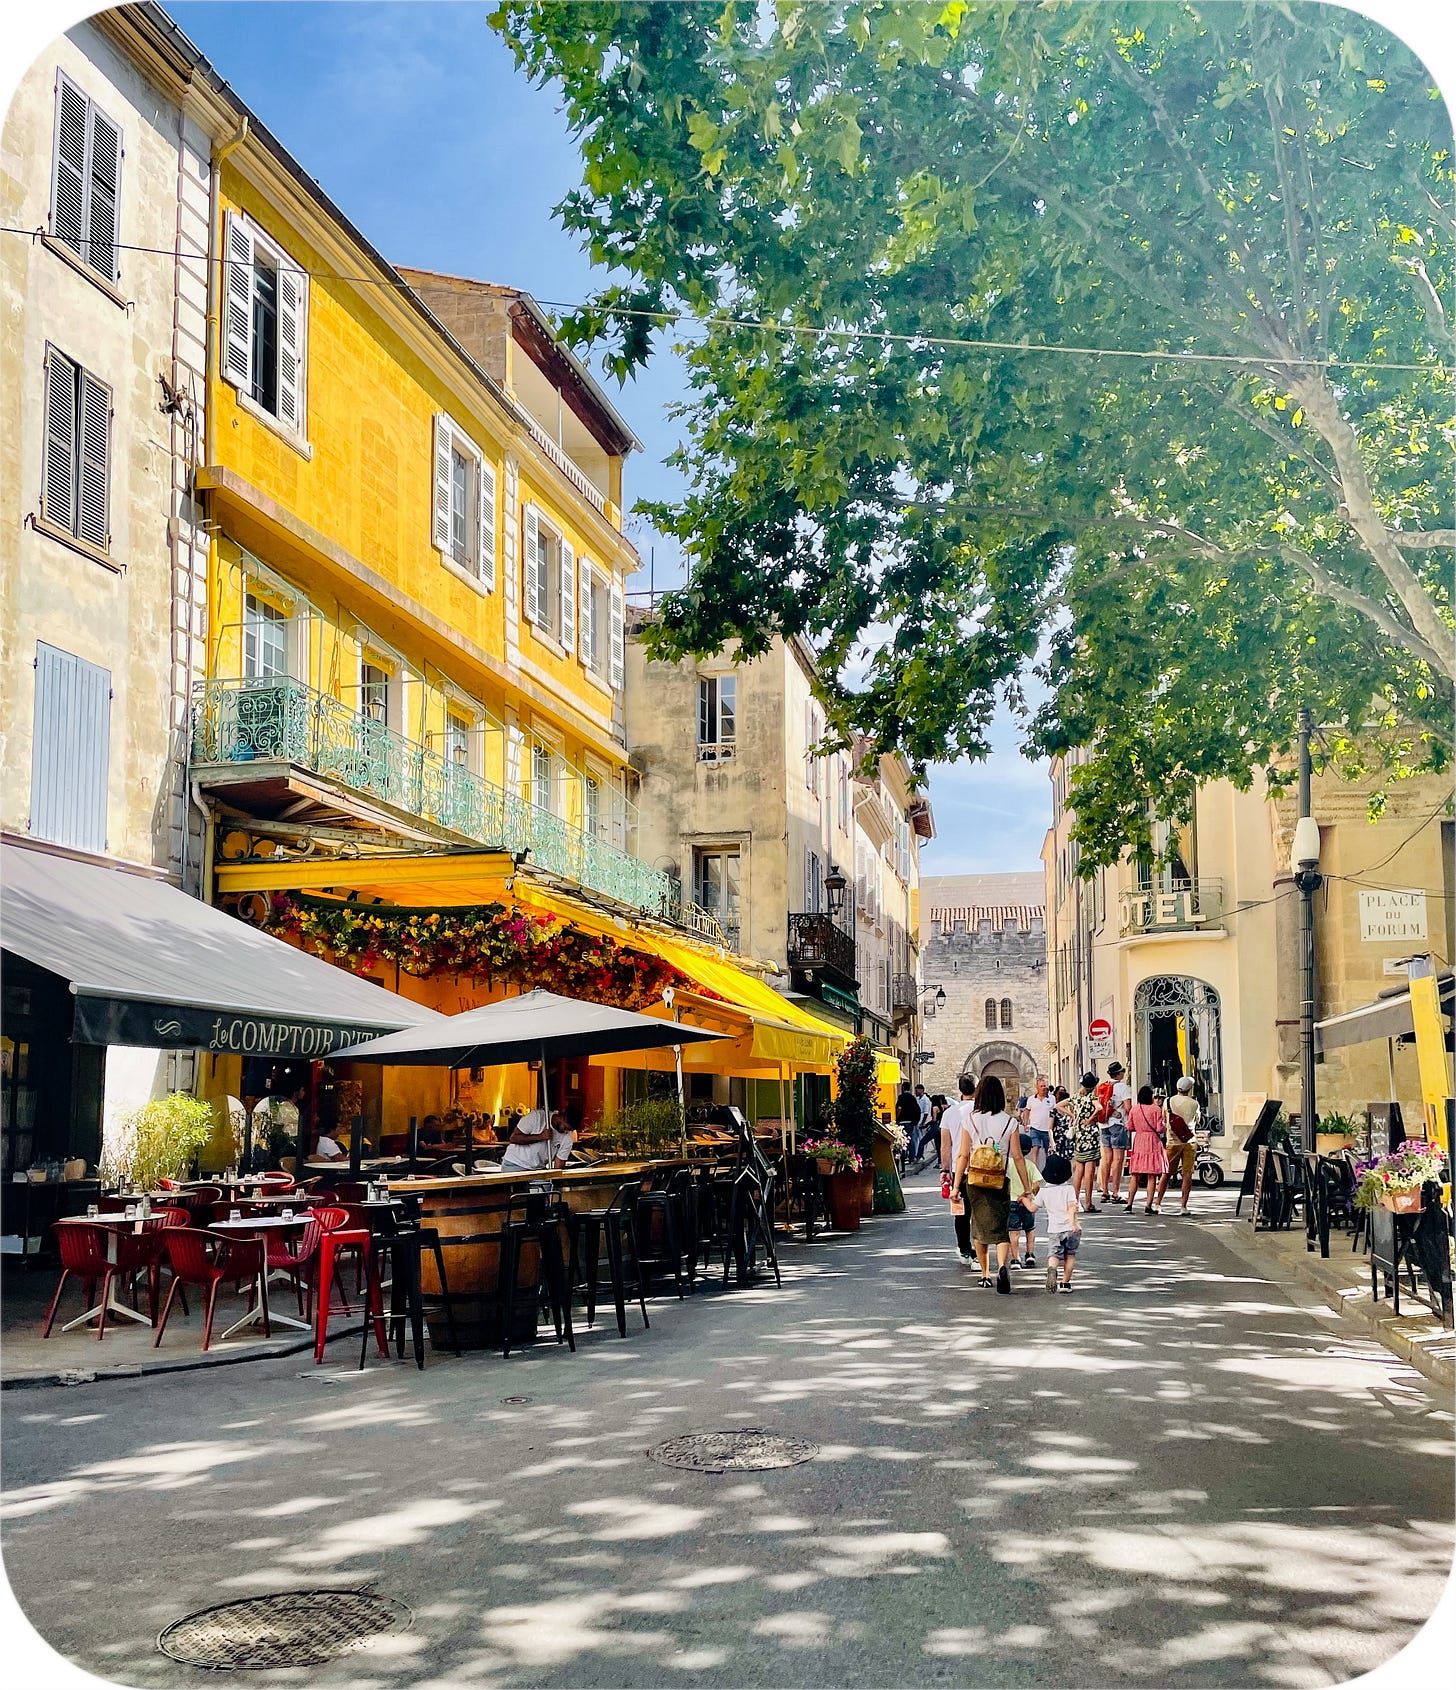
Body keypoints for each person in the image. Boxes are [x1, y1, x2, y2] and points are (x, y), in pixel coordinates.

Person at [951, 1074, 1033, 1294]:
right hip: (999, 1180)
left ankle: (985, 1274)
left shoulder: (970, 1120)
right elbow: (1018, 1157)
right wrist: (1026, 1187)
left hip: (975, 1180)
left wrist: (956, 1186)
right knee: (1000, 1226)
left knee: (978, 1227)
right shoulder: (1010, 1122)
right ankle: (1003, 1266)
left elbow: (963, 1155)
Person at [939, 1074, 978, 1263]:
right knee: (980, 1211)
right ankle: (979, 1251)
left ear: (960, 1090)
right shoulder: (982, 1110)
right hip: (981, 1166)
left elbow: (945, 1146)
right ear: (976, 1089)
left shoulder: (950, 1113)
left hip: (958, 1169)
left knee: (961, 1211)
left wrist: (944, 1170)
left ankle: (964, 1250)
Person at [1031, 1153, 1082, 1292]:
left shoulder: (1043, 1192)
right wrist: (1073, 1224)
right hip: (1071, 1229)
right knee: (1070, 1255)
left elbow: (1032, 1208)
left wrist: (1023, 1199)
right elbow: (1071, 1207)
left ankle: (1052, 1269)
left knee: (1054, 1255)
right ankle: (1065, 1283)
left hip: (1054, 1230)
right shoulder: (1069, 1189)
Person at [1124, 1085, 1170, 1213]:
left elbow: (1129, 1127)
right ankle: (1148, 1206)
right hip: (1152, 1142)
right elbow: (1160, 1128)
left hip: (1139, 1141)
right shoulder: (1156, 1109)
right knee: (1152, 1175)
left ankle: (1129, 1204)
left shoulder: (1135, 1109)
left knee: (1135, 1175)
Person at [1097, 1061, 1133, 1204]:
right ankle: (1116, 1192)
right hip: (1117, 1124)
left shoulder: (1103, 1086)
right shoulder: (1123, 1087)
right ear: (1119, 1074)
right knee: (1118, 1159)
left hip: (1104, 1124)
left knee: (1106, 1159)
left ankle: (1105, 1190)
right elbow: (1128, 1107)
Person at [499, 1105, 575, 1172]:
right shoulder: (536, 1117)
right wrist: (540, 1137)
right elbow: (514, 1138)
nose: (566, 1131)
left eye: (570, 1130)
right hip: (515, 1163)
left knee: (547, 1184)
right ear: (561, 1117)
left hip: (538, 1168)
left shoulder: (568, 1136)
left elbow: (560, 1162)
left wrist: (554, 1179)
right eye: (566, 1127)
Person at [1165, 1076, 1201, 1215]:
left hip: (1172, 1141)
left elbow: (1164, 1119)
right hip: (1189, 1141)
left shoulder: (1168, 1101)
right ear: (1189, 1089)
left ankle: (1157, 1203)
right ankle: (1183, 1206)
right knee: (1187, 1174)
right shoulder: (1194, 1103)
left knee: (1166, 1173)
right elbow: (1197, 1119)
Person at [1006, 1132, 1042, 1269]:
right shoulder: (1030, 1165)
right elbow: (1037, 1184)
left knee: (1013, 1231)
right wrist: (1032, 1194)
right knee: (1029, 1229)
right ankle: (1030, 1254)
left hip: (1011, 1201)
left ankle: (1016, 1259)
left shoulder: (1008, 1164)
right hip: (1027, 1201)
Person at [1070, 1072, 1102, 1216]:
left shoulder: (1076, 1097)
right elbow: (1099, 1108)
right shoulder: (1092, 1097)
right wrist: (1091, 1119)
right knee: (1089, 1170)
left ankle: (1075, 1201)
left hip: (1079, 1134)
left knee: (1078, 1171)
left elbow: (1059, 1105)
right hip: (1090, 1136)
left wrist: (1072, 1116)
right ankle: (1088, 1202)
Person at [1021, 1077, 1054, 1168]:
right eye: (1041, 1086)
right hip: (1035, 1128)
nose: (1044, 1088)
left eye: (1045, 1086)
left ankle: (1048, 1169)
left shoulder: (1052, 1098)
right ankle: (1035, 1169)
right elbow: (1027, 1111)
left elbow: (1055, 1112)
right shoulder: (1031, 1099)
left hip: (1048, 1129)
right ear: (1037, 1087)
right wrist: (1025, 1124)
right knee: (1035, 1148)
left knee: (1048, 1151)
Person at [1049, 1085, 1074, 1159]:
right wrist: (1052, 1142)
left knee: (1069, 1161)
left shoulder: (1071, 1111)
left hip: (1068, 1139)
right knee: (1057, 1160)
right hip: (1057, 1140)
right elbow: (1050, 1128)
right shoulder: (1053, 1111)